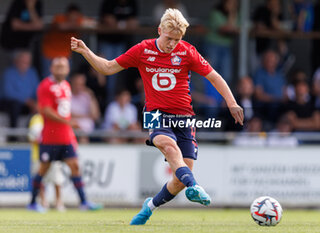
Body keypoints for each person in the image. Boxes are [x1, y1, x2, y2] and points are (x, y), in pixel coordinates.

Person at [71, 8, 243, 225]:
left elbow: (214, 77)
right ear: (159, 30)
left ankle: (150, 206)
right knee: (170, 148)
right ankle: (195, 186)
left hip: (184, 118)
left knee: (179, 179)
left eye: (177, 39)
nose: (172, 44)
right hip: (154, 115)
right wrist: (86, 51)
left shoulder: (187, 51)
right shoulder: (143, 50)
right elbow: (107, 68)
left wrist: (232, 102)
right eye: (169, 38)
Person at [27, 57, 102, 212]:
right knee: (43, 169)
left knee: (75, 166)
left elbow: (64, 111)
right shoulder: (45, 86)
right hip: (50, 137)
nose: (61, 69)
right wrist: (68, 122)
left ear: (68, 69)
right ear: (51, 69)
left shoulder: (66, 85)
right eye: (58, 66)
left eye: (63, 67)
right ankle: (33, 203)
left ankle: (84, 202)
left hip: (66, 137)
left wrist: (69, 129)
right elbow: (46, 110)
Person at [28, 113, 66, 211]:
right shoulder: (36, 119)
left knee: (57, 179)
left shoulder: (54, 118)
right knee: (40, 178)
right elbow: (32, 138)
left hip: (54, 153)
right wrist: (45, 140)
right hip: (38, 156)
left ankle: (58, 202)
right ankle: (43, 201)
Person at [2, 50, 39, 129]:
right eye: (22, 61)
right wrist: (26, 100)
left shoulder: (32, 73)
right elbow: (8, 93)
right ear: (16, 61)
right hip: (10, 103)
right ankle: (13, 135)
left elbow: (37, 90)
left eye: (27, 62)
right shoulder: (9, 72)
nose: (25, 64)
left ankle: (29, 133)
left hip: (28, 104)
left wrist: (35, 103)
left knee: (40, 106)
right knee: (15, 106)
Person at [70, 72, 100, 144]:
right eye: (76, 84)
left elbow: (96, 115)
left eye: (81, 84)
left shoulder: (87, 95)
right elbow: (68, 115)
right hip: (71, 126)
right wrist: (86, 116)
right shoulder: (67, 94)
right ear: (71, 83)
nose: (78, 87)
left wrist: (91, 96)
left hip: (87, 128)